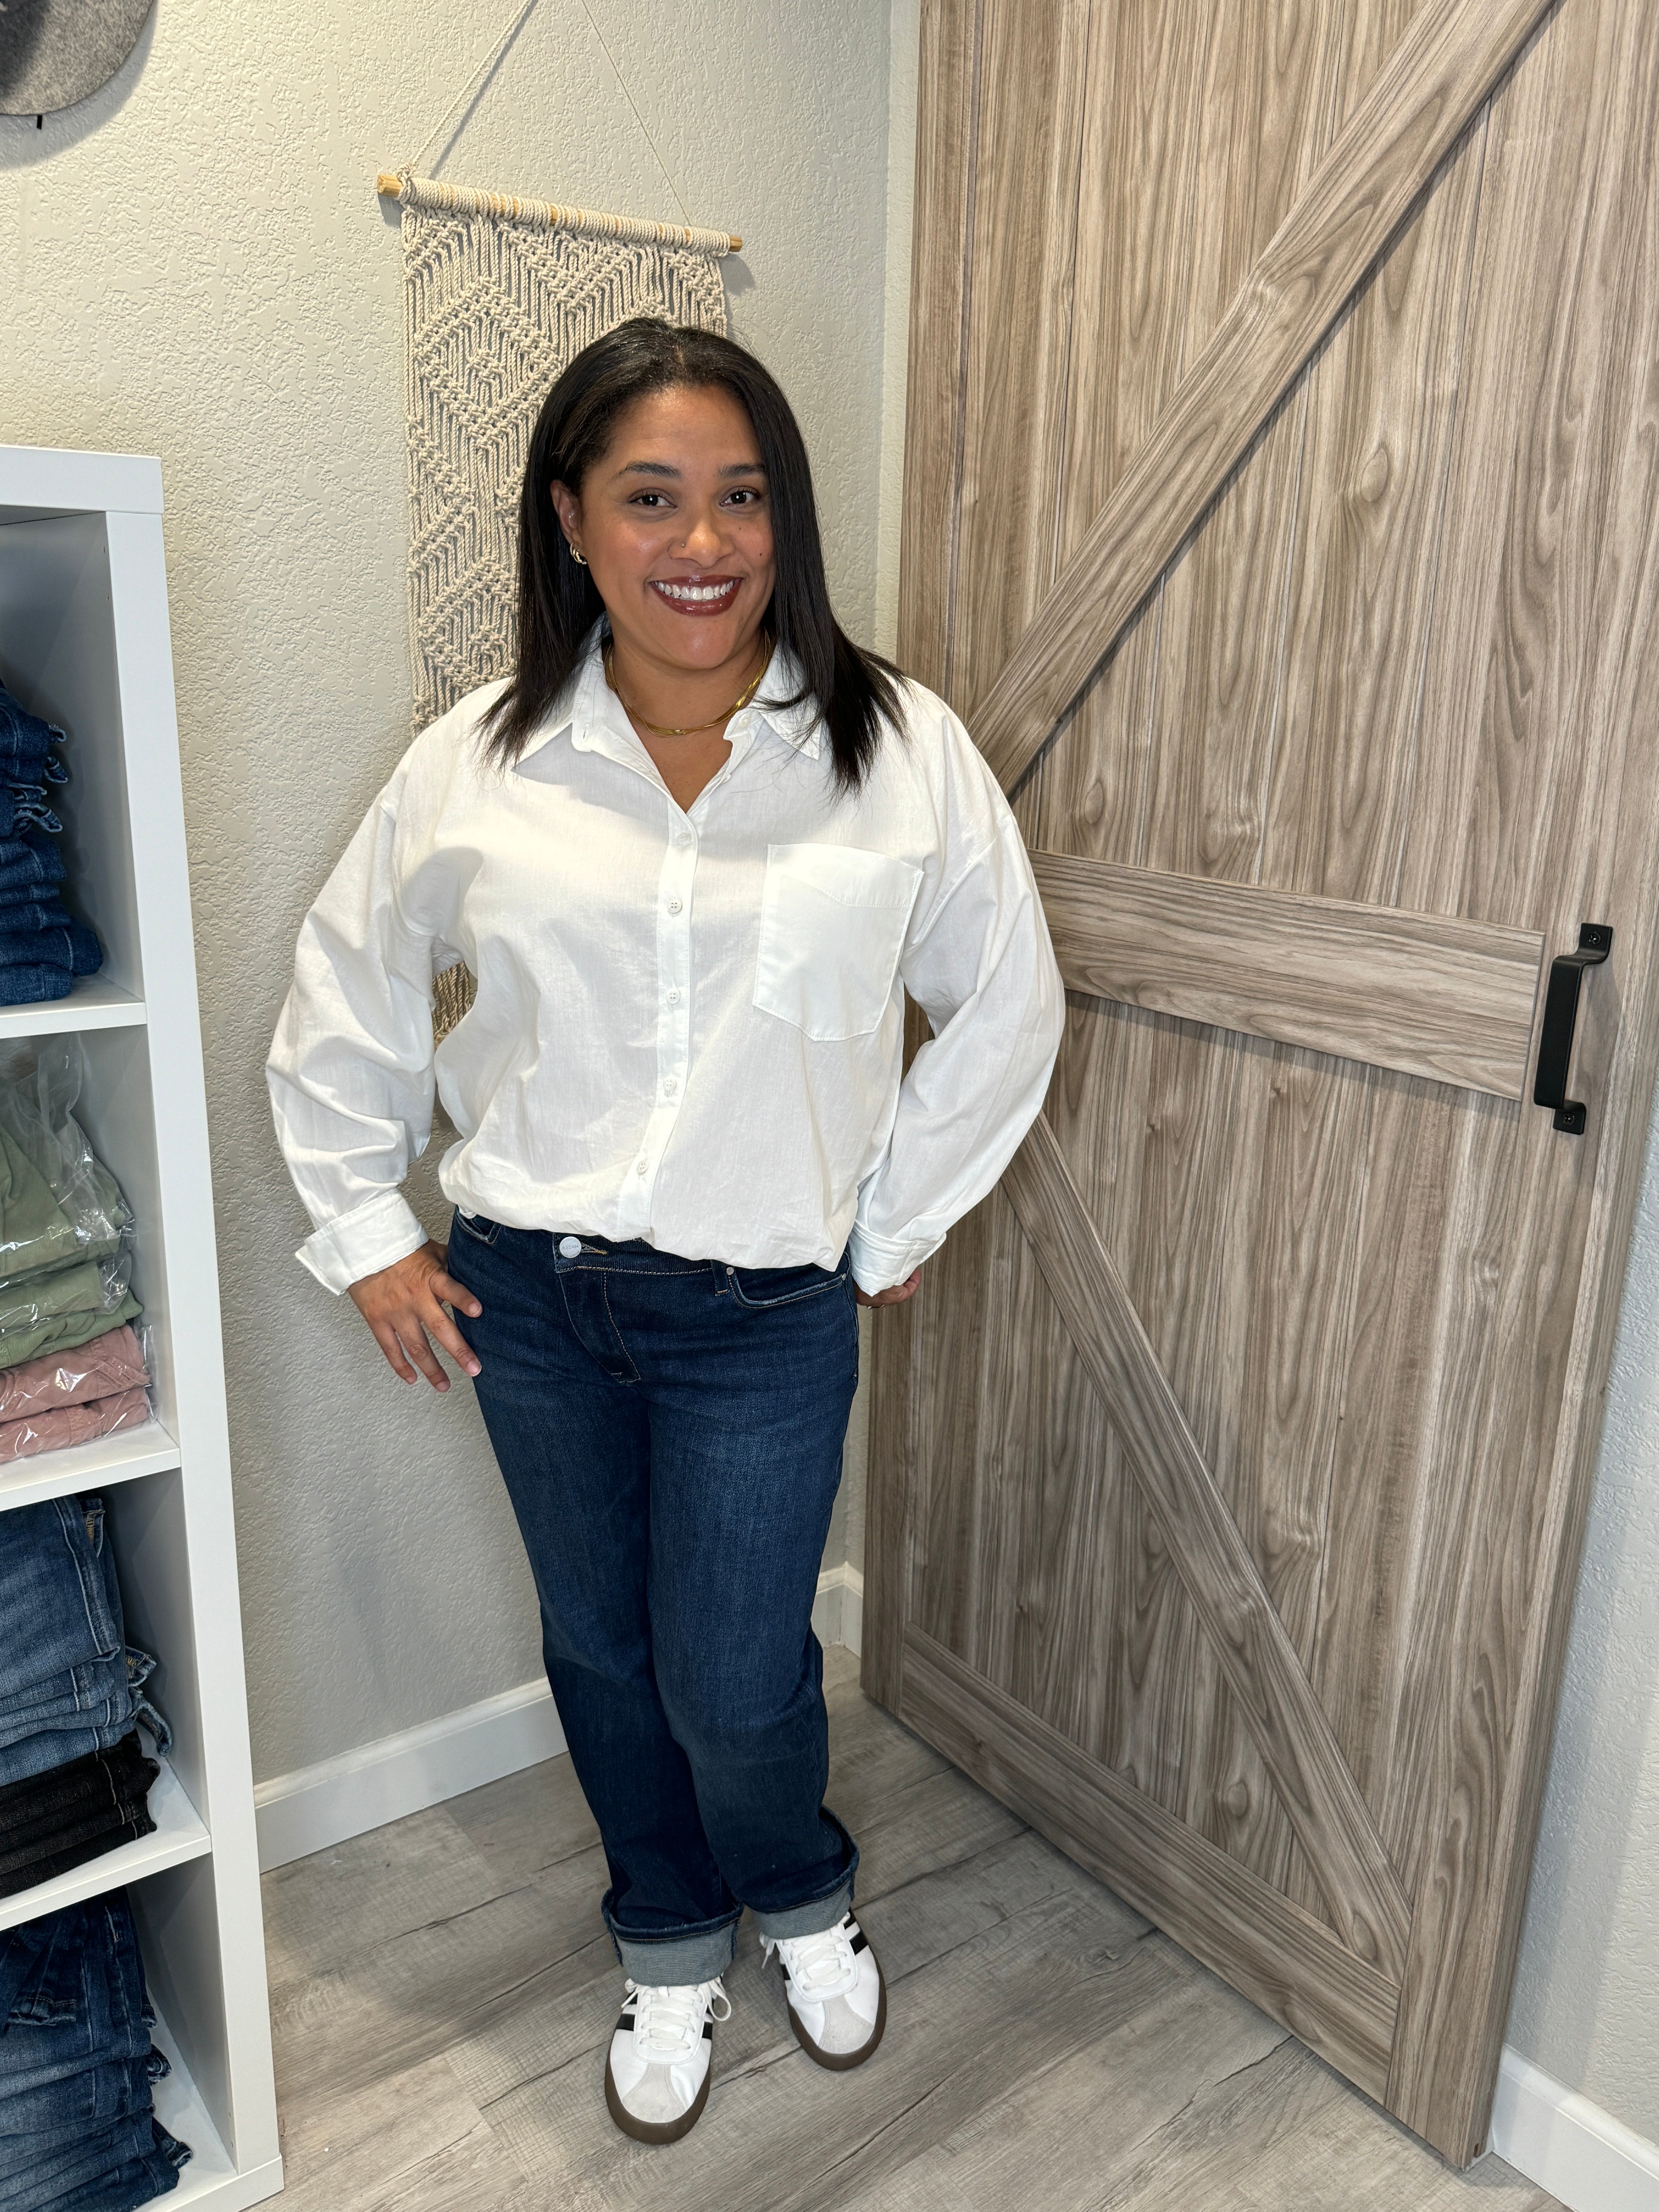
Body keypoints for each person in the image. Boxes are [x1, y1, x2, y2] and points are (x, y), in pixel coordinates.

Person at [267, 317, 1063, 2144]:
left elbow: (1008, 1001)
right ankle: (667, 1928)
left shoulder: (895, 750)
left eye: (743, 496)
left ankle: (796, 1886)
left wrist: (898, 1214)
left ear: (781, 522)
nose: (701, 542)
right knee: (603, 1647)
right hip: (529, 1299)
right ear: (572, 519)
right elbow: (350, 988)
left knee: (738, 1665)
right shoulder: (481, 763)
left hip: (765, 1316)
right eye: (650, 498)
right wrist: (365, 1229)